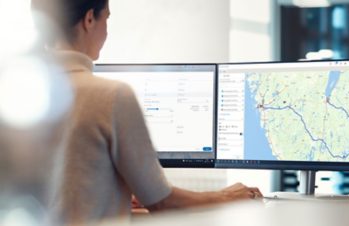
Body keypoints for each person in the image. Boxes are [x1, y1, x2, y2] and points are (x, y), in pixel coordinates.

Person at [31, 0, 262, 224]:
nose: (107, 30)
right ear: (90, 19)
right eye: (107, 18)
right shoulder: (111, 96)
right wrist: (228, 196)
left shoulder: (20, 95)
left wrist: (113, 190)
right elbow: (163, 204)